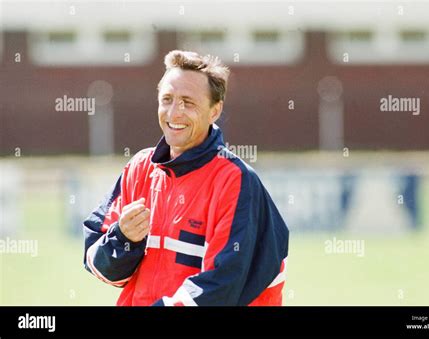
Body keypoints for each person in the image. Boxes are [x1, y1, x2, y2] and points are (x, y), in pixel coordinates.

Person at [83, 50, 289, 306]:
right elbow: (97, 264)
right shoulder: (139, 168)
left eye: (188, 102)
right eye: (167, 99)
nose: (174, 113)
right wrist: (123, 240)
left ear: (215, 111)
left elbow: (221, 287)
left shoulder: (236, 181)